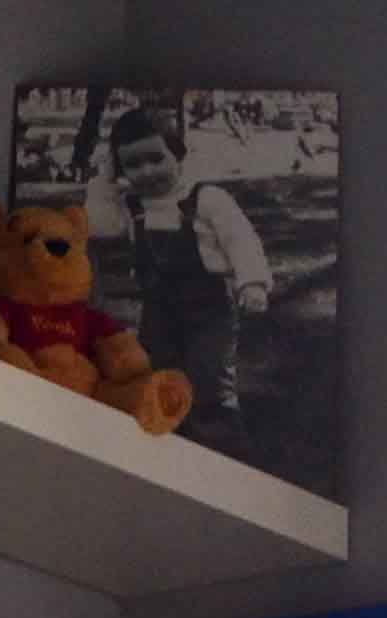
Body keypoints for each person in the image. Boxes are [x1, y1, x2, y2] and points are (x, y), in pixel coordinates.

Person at [95, 100, 267, 426]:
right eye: (132, 164)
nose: (147, 171)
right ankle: (170, 434)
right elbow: (98, 225)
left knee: (210, 376)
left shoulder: (205, 198)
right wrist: (104, 179)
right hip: (158, 311)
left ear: (178, 154)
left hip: (209, 310)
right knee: (159, 374)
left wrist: (252, 282)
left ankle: (221, 434)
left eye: (156, 159)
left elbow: (241, 239)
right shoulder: (132, 206)